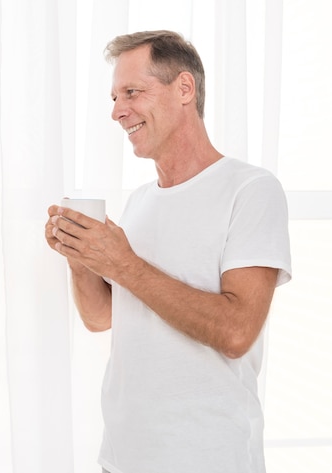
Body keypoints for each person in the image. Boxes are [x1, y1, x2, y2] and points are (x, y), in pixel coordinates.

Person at [45, 30, 291, 473]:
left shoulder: (252, 190)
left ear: (184, 88)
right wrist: (81, 258)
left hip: (208, 458)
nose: (118, 111)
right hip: (121, 458)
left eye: (132, 92)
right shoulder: (140, 201)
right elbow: (102, 318)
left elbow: (237, 332)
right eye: (114, 97)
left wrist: (122, 263)